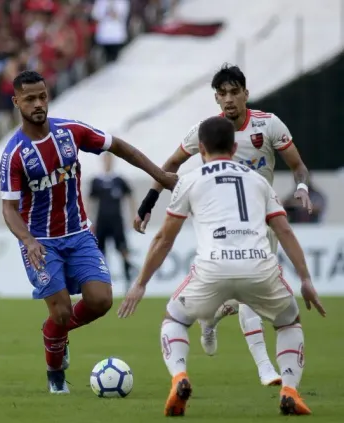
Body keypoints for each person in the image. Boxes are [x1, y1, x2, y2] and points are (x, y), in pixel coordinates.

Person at [118, 116, 325, 416]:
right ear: (233, 146)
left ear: (201, 148)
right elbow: (284, 231)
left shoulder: (190, 181)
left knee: (174, 319)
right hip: (260, 267)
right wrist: (305, 279)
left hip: (212, 269)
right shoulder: (258, 181)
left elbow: (164, 238)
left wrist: (140, 284)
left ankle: (180, 376)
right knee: (288, 322)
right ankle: (290, 390)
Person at [133, 64, 312, 386]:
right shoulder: (206, 131)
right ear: (216, 98)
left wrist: (301, 187)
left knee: (243, 293)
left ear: (246, 93)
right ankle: (264, 368)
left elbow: (298, 166)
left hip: (262, 221)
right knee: (248, 292)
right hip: (220, 224)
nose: (228, 99)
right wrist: (148, 202)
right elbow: (170, 165)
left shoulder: (268, 125)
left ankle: (209, 321)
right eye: (222, 94)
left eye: (234, 92)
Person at [0, 70, 177, 394]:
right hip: (40, 242)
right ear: (16, 102)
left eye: (42, 96)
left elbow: (119, 147)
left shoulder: (70, 132)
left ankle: (54, 333)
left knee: (101, 300)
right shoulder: (13, 154)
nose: (38, 104)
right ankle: (56, 377)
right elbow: (8, 209)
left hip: (78, 233)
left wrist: (161, 176)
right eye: (30, 99)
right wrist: (27, 240)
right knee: (62, 310)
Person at [89, 152, 137, 287]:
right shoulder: (96, 181)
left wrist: (133, 215)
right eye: (105, 160)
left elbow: (130, 196)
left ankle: (128, 280)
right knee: (100, 252)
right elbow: (90, 201)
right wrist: (89, 220)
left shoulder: (119, 180)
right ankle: (101, 281)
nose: (107, 162)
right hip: (101, 221)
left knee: (123, 250)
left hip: (117, 221)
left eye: (109, 160)